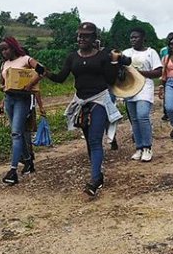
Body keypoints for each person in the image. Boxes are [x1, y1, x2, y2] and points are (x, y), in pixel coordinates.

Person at [44, 21, 128, 196]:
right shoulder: (72, 57)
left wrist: (113, 62)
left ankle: (95, 180)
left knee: (95, 140)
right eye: (80, 35)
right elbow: (61, 78)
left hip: (99, 100)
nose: (82, 38)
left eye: (86, 35)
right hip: (81, 102)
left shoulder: (102, 57)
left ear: (94, 38)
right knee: (89, 140)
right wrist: (44, 72)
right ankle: (98, 174)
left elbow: (111, 81)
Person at [0, 36, 45, 185]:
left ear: (13, 47)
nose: (4, 52)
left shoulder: (26, 60)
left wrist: (30, 84)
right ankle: (28, 161)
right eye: (2, 50)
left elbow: (42, 70)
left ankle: (13, 171)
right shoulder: (5, 64)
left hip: (22, 100)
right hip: (9, 99)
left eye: (6, 49)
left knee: (16, 133)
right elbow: (1, 83)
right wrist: (4, 87)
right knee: (16, 132)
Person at [122, 27, 163, 162]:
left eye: (136, 37)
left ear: (143, 38)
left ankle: (147, 147)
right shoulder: (126, 53)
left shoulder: (151, 53)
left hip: (145, 87)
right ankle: (138, 147)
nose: (133, 40)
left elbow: (158, 72)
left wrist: (139, 74)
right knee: (134, 119)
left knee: (142, 116)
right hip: (129, 88)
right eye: (131, 37)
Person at [159, 32, 173, 121]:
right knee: (166, 94)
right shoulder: (163, 50)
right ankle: (166, 113)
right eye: (169, 39)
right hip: (166, 74)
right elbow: (161, 63)